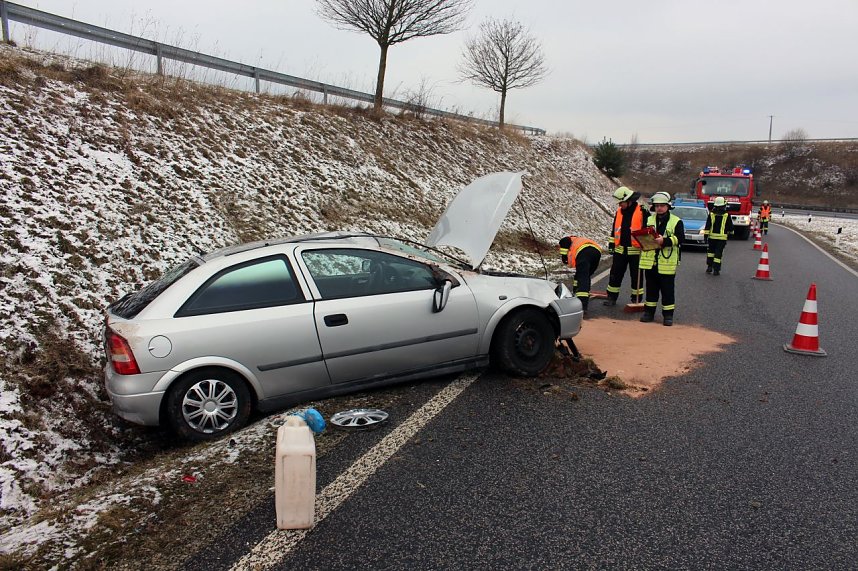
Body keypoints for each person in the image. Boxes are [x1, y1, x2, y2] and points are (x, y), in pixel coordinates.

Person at [639, 191, 685, 326]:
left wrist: (664, 241)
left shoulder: (676, 221)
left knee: (667, 291)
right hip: (651, 261)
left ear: (668, 206)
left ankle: (668, 316)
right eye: (657, 205)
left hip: (667, 262)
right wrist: (641, 241)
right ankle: (649, 313)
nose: (659, 208)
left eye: (662, 205)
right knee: (651, 289)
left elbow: (680, 238)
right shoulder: (649, 220)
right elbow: (644, 235)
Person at [603, 186, 648, 307]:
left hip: (635, 251)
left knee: (636, 277)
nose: (619, 205)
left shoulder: (642, 211)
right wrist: (612, 244)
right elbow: (615, 229)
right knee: (615, 275)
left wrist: (645, 245)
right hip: (620, 250)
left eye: (621, 203)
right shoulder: (619, 212)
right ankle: (611, 297)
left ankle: (636, 299)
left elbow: (647, 230)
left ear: (629, 200)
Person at [558, 235, 602, 314]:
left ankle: (582, 304)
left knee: (583, 277)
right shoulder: (577, 240)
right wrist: (575, 289)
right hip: (596, 252)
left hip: (584, 252)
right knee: (585, 276)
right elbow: (578, 275)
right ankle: (579, 293)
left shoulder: (566, 241)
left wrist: (564, 256)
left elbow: (565, 242)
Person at [703, 196, 734, 275]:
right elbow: (730, 226)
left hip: (712, 237)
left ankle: (709, 267)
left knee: (710, 252)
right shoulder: (727, 215)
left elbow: (707, 226)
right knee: (718, 254)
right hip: (722, 239)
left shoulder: (711, 214)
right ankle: (716, 270)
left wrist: (705, 236)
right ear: (723, 205)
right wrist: (731, 233)